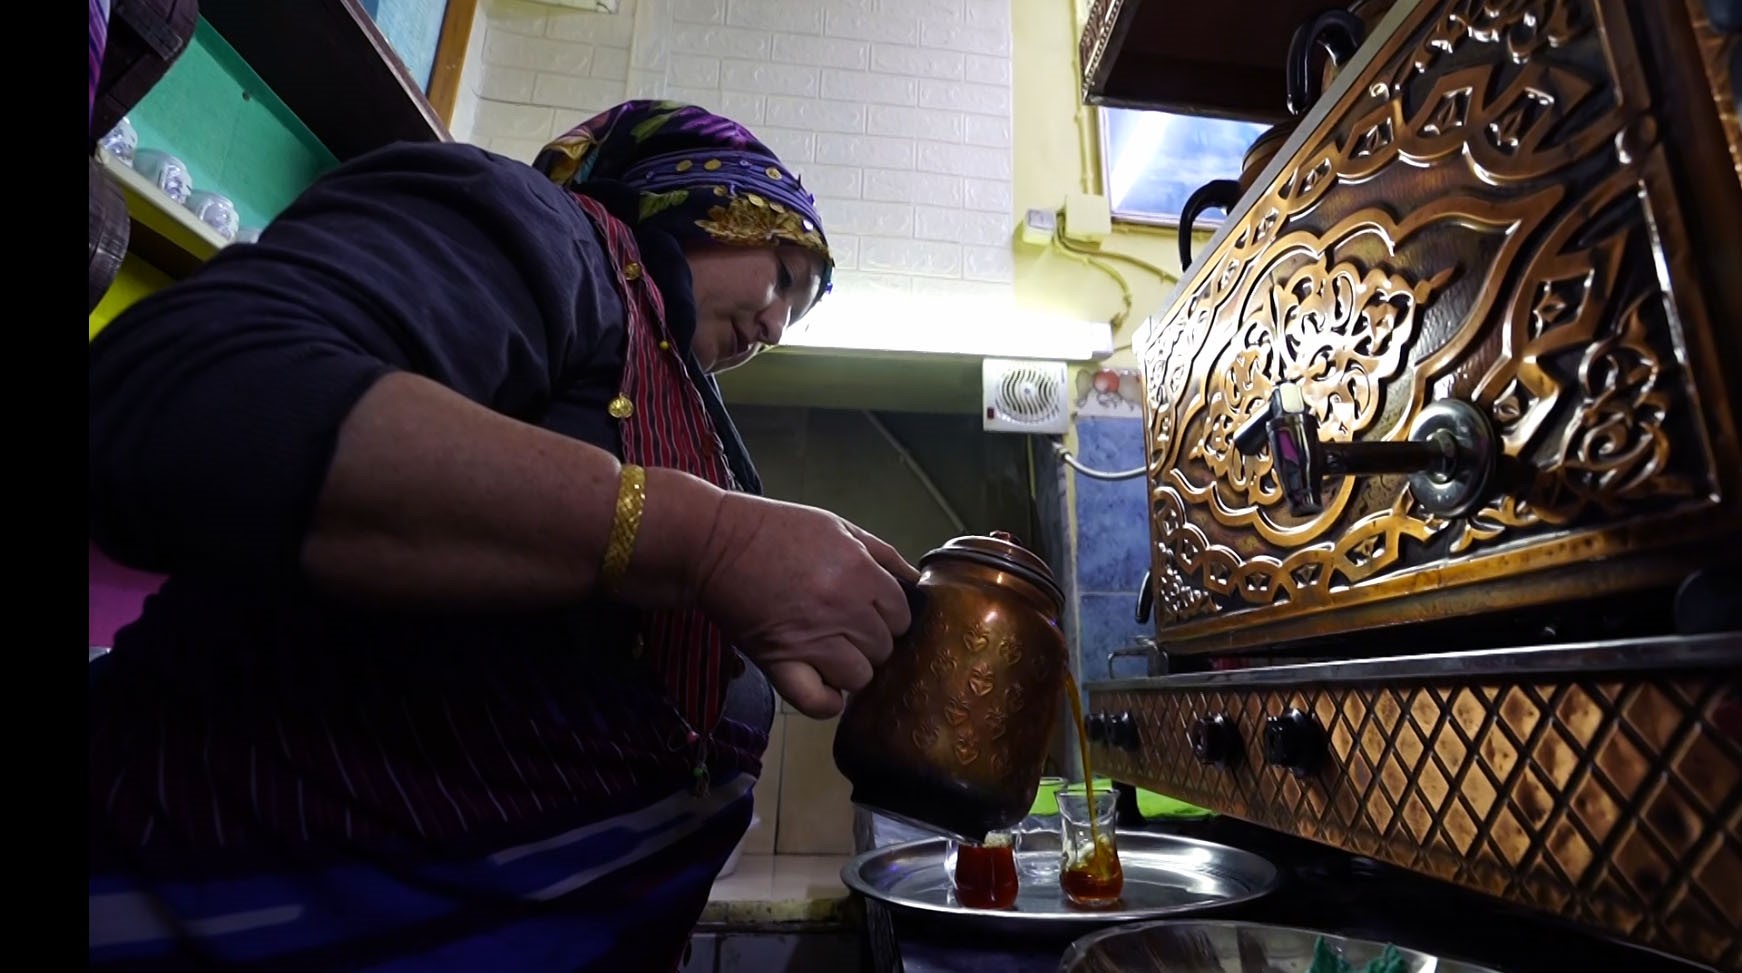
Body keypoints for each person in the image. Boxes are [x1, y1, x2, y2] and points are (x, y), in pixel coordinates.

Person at [87, 100, 918, 972]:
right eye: (784, 274)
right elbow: (194, 397)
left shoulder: (682, 398)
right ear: (707, 193)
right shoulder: (540, 229)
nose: (779, 325)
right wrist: (707, 539)